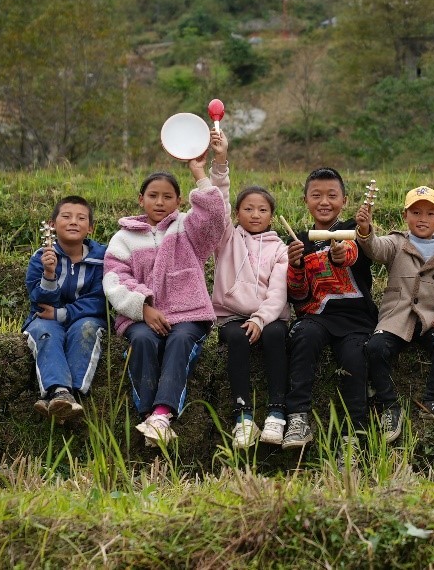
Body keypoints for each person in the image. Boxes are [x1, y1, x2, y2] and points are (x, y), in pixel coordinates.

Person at [104, 132, 228, 445]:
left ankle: (162, 413)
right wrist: (142, 309)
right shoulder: (123, 239)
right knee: (143, 340)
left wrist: (199, 174)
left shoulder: (188, 228)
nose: (160, 202)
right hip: (141, 317)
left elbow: (216, 217)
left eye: (167, 197)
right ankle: (148, 418)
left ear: (179, 201)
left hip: (188, 314)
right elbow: (115, 279)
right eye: (153, 196)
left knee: (180, 340)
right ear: (140, 199)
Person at [355, 185, 434, 443]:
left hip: (429, 319)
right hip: (397, 317)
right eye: (415, 212)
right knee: (375, 349)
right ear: (405, 216)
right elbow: (375, 248)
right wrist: (365, 230)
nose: (422, 219)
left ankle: (433, 398)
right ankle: (390, 404)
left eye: (429, 213)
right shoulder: (396, 243)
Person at [281, 167, 377, 451]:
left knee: (355, 359)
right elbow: (297, 293)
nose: (324, 201)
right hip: (317, 317)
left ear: (344, 201)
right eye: (316, 195)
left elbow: (352, 251)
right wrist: (295, 266)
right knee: (303, 338)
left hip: (356, 319)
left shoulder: (352, 231)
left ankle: (354, 435)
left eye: (332, 195)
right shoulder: (299, 240)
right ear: (305, 200)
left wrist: (340, 255)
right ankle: (297, 418)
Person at [209, 142, 290, 449]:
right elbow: (218, 200)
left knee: (274, 336)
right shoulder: (226, 238)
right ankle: (243, 416)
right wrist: (220, 161)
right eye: (248, 208)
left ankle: (276, 413)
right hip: (231, 315)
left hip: (269, 317)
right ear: (237, 212)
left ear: (271, 215)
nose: (255, 214)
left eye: (263, 209)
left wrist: (260, 318)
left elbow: (278, 292)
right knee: (238, 337)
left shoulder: (280, 249)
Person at [23, 195, 107, 423]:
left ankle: (72, 395)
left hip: (84, 317)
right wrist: (49, 274)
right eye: (66, 216)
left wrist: (63, 313)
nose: (73, 222)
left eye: (81, 218)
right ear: (51, 225)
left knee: (87, 328)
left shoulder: (102, 259)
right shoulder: (40, 258)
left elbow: (99, 300)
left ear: (90, 228)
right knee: (44, 331)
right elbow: (38, 300)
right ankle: (60, 391)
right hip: (45, 319)